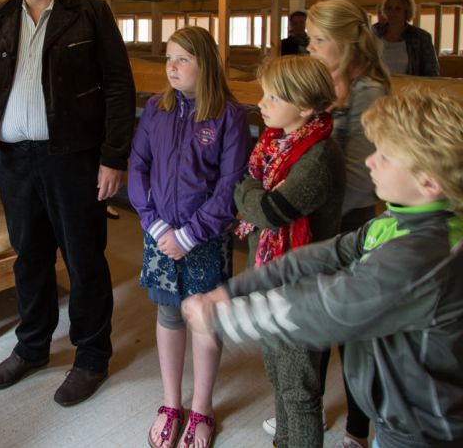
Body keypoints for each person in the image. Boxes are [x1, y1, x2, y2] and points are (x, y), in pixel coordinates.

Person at [182, 86, 463, 448]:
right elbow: (322, 255)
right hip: (399, 423)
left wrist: (222, 317)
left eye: (386, 156)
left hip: (423, 433)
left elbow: (325, 310)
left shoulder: (421, 258)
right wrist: (234, 290)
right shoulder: (397, 223)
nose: (370, 161)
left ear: (428, 182)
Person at [0, 0, 136, 407]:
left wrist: (112, 157)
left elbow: (119, 87)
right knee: (31, 257)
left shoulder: (88, 11)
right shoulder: (0, 16)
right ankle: (33, 346)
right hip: (15, 159)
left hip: (73, 157)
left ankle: (90, 355)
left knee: (83, 258)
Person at [129, 26, 250, 448]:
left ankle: (202, 407)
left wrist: (192, 233)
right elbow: (137, 168)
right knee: (168, 315)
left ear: (206, 64)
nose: (171, 67)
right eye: (168, 58)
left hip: (205, 237)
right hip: (160, 234)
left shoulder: (229, 116)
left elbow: (230, 187)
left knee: (203, 319)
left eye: (182, 58)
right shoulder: (155, 109)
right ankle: (170, 402)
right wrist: (156, 224)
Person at [235, 56, 345, 448]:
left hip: (302, 287)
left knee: (299, 388)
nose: (261, 103)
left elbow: (269, 211)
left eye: (273, 97)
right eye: (263, 94)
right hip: (273, 278)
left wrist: (251, 194)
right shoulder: (274, 143)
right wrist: (251, 191)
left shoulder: (318, 157)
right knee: (278, 374)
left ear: (305, 107)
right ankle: (283, 440)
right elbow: (246, 183)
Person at [304, 0, 392, 448]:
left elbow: (362, 181)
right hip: (316, 221)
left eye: (319, 40)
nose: (312, 48)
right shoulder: (319, 85)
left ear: (346, 41)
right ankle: (312, 408)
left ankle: (358, 430)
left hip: (351, 223)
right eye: (310, 40)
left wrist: (300, 197)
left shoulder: (369, 93)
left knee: (354, 333)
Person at [372, 0, 439, 76]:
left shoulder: (420, 38)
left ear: (407, 12)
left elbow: (432, 73)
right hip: (377, 86)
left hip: (409, 87)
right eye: (389, 8)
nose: (392, 12)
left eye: (398, 8)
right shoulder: (373, 33)